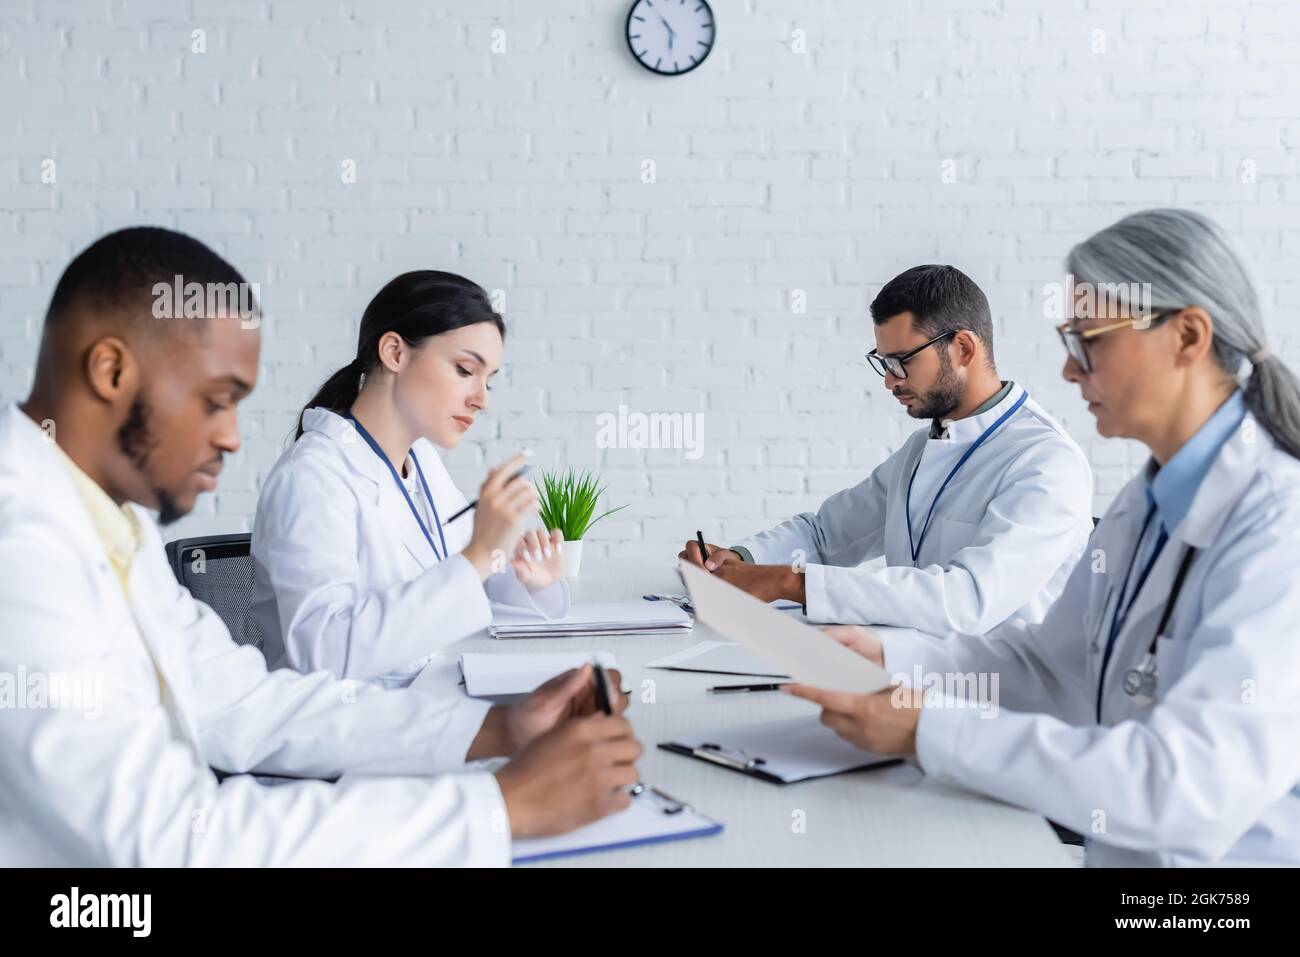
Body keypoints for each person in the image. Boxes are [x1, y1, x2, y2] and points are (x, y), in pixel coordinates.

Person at [0, 227, 640, 866]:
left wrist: (497, 730)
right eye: (217, 401)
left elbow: (244, 703)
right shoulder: (21, 548)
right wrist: (504, 808)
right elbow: (166, 840)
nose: (233, 438)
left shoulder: (114, 525)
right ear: (110, 370)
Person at [787, 209, 1300, 866]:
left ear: (1187, 335)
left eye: (1090, 341)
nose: (1067, 370)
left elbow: (1185, 787)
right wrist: (888, 656)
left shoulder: (1278, 525)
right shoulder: (1143, 502)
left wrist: (928, 729)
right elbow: (1052, 669)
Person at [682, 264, 1093, 637]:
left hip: (1003, 696)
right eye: (884, 363)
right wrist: (740, 559)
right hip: (909, 668)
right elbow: (827, 533)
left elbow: (967, 601)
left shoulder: (1047, 463)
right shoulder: (924, 448)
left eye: (901, 361)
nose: (890, 381)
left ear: (963, 349)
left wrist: (791, 582)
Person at [252, 271, 567, 686]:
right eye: (464, 369)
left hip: (423, 695)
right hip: (343, 728)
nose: (481, 399)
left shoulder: (420, 461)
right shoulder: (312, 478)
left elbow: (467, 588)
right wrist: (478, 555)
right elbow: (323, 652)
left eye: (488, 380)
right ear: (395, 353)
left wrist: (524, 574)